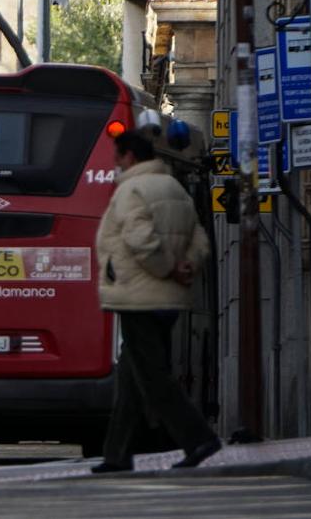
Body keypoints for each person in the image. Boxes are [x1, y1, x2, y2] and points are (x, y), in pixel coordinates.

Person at [92, 129, 221, 473]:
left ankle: (198, 438)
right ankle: (116, 455)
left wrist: (167, 268)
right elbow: (199, 236)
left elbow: (140, 238)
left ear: (129, 157)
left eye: (117, 158)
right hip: (166, 299)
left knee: (153, 377)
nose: (115, 165)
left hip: (140, 296)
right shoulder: (173, 187)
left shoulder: (131, 190)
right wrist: (187, 266)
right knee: (131, 377)